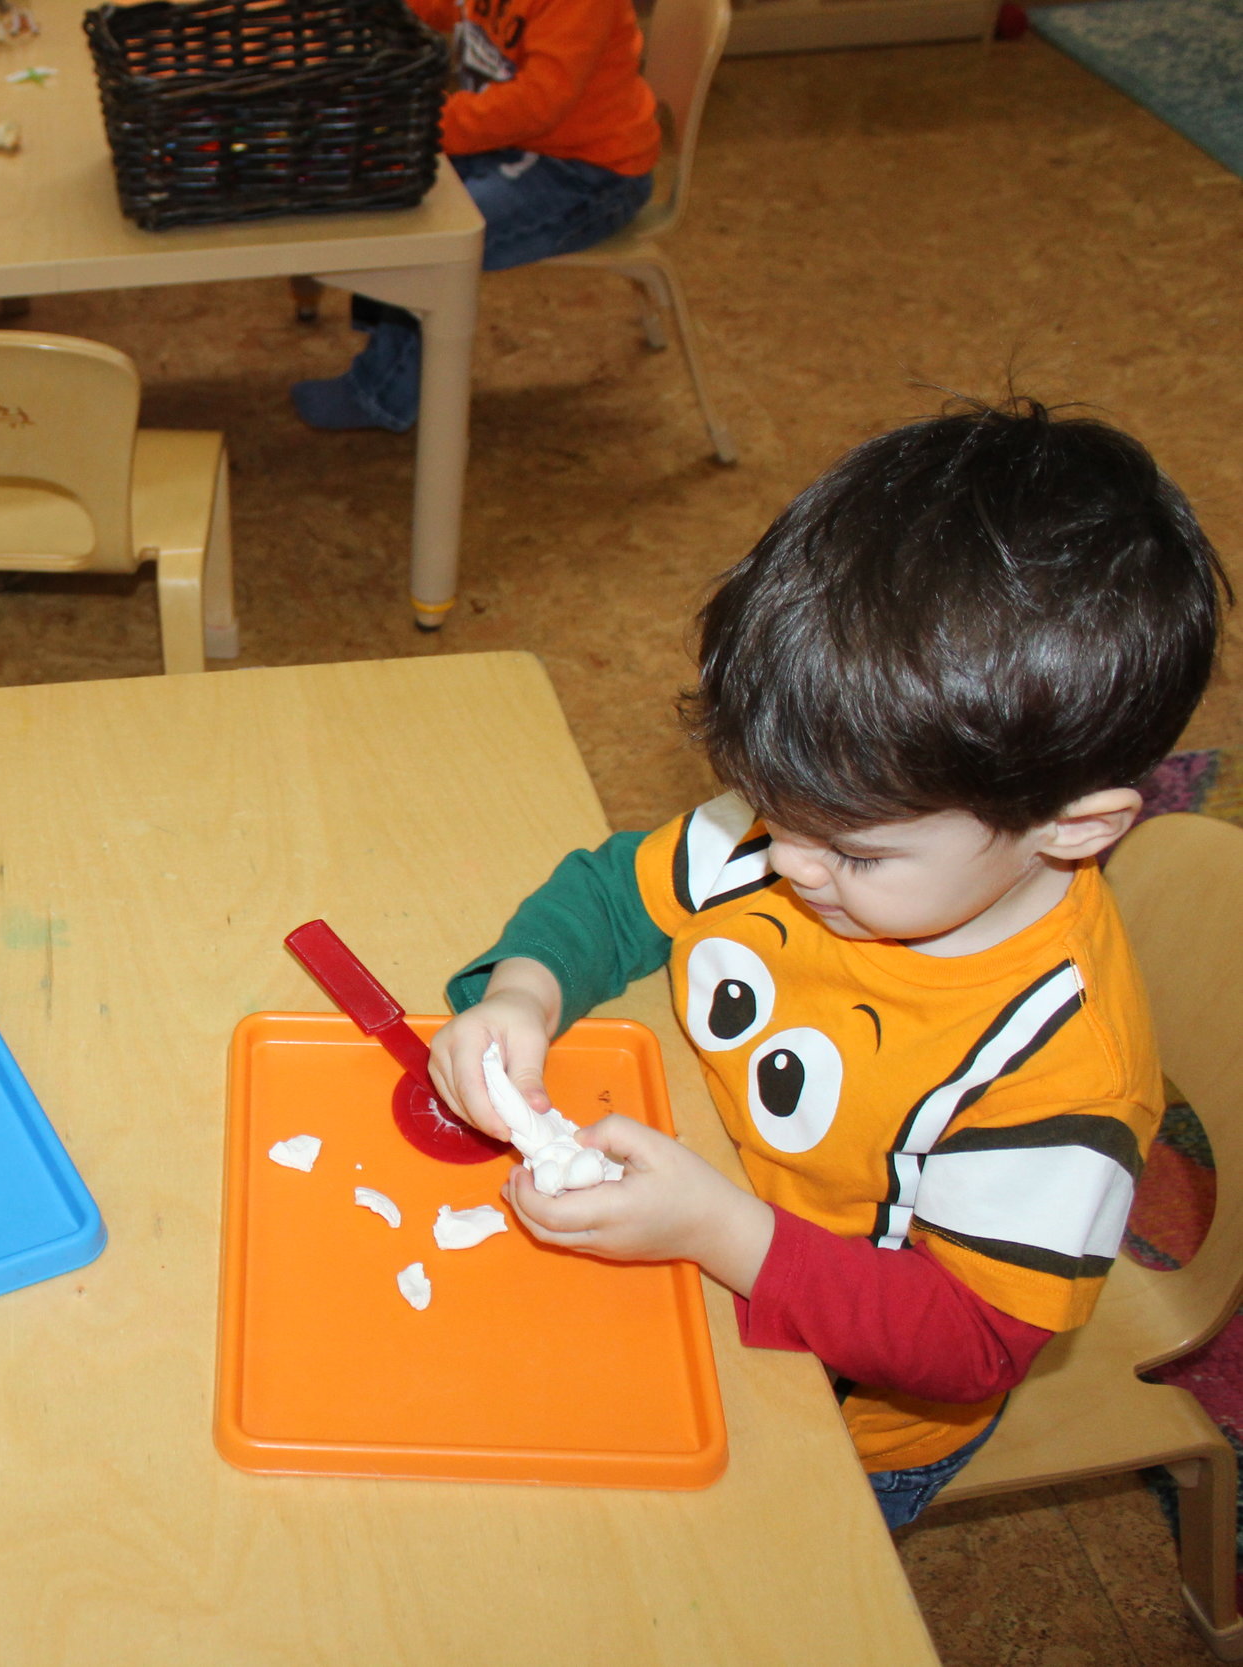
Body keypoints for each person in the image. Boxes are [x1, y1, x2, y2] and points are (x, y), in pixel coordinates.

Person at [424, 400, 1228, 1527]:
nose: (785, 860)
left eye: (851, 850)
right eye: (772, 808)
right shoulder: (828, 814)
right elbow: (617, 890)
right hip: (695, 1214)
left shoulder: (1059, 1079)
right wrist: (524, 988)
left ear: (1074, 825)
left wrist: (717, 1231)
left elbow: (972, 1342)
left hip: (840, 1409)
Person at [290, 0, 663, 431]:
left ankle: (382, 396)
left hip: (586, 174)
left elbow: (538, 103)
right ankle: (390, 335)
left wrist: (428, 123)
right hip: (515, 141)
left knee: (432, 246)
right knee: (396, 197)